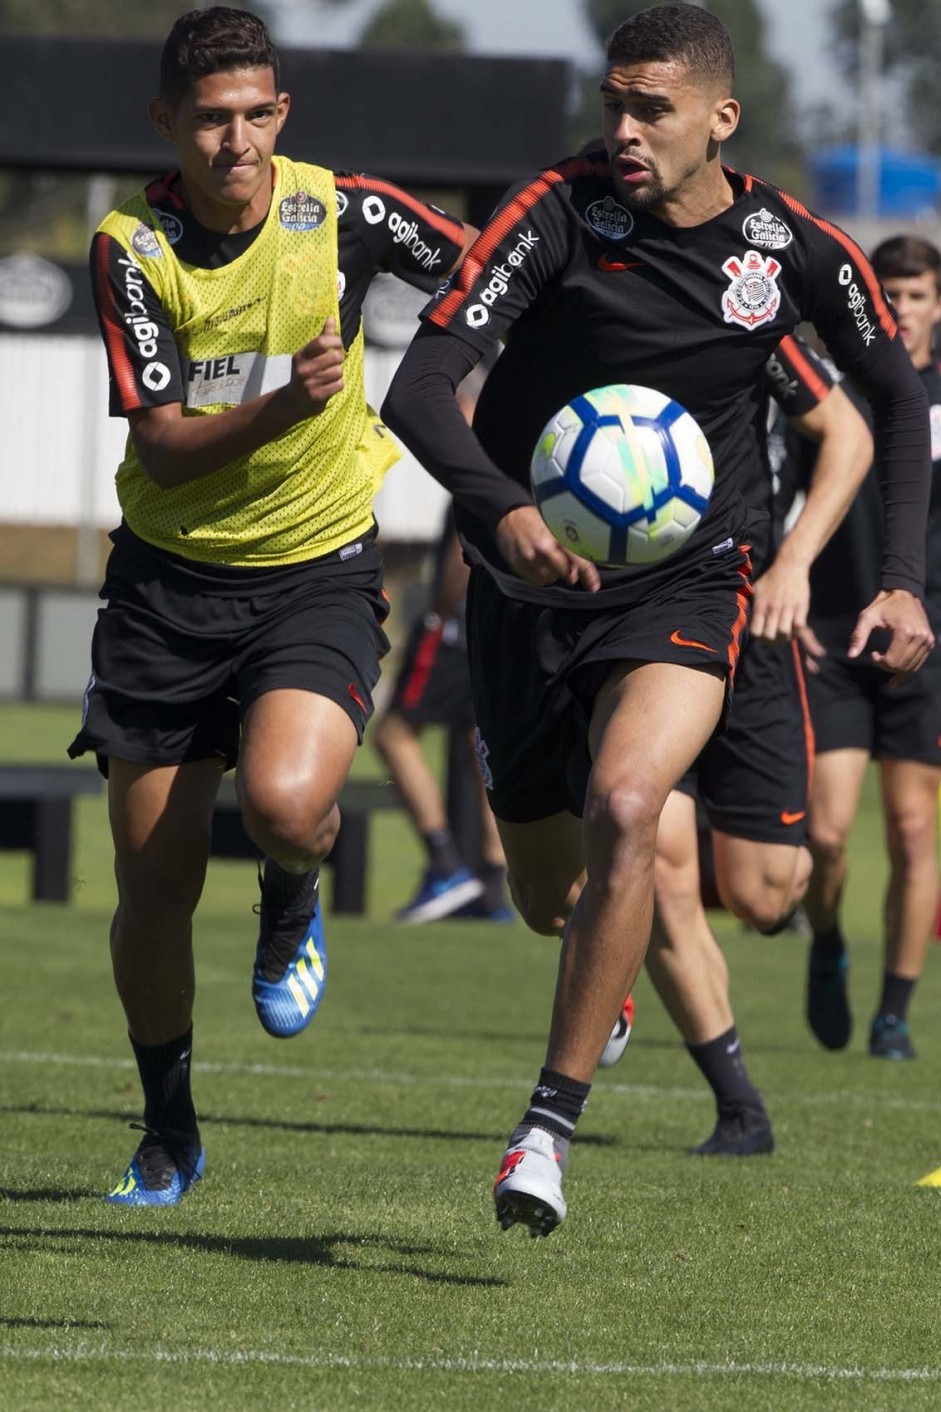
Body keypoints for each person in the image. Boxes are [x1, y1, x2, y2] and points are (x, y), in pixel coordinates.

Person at [383, 2, 932, 1239]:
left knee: (631, 807)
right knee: (543, 893)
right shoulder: (558, 212)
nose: (622, 130)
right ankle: (601, 971)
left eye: (651, 109)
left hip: (691, 581)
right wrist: (501, 507)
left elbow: (892, 401)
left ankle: (544, 1131)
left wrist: (894, 576)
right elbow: (417, 388)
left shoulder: (787, 246)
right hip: (526, 590)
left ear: (718, 121)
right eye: (612, 105)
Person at [68, 6, 475, 1207]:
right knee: (152, 886)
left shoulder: (342, 209)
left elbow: (489, 267)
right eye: (209, 119)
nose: (235, 140)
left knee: (293, 807)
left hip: (315, 568)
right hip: (165, 584)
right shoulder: (129, 247)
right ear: (166, 124)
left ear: (280, 115)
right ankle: (168, 1127)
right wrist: (286, 408)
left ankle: (292, 897)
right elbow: (169, 446)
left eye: (254, 115)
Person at [600, 339, 874, 1164]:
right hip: (641, 628)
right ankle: (739, 1109)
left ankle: (822, 937)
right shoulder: (606, 328)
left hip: (754, 627)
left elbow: (851, 435)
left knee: (765, 895)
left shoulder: (763, 333)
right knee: (656, 858)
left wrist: (795, 566)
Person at [802, 234, 941, 1061]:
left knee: (912, 830)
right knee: (824, 836)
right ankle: (826, 942)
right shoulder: (833, 396)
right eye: (888, 292)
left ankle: (893, 1010)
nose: (903, 308)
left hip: (926, 643)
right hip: (830, 634)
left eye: (918, 294)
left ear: (938, 304)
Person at [373, 505, 510, 922]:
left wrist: (439, 616)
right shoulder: (517, 466)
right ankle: (492, 888)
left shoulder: (476, 462)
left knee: (392, 735)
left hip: (454, 631)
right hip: (497, 628)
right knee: (479, 744)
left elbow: (461, 555)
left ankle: (445, 866)